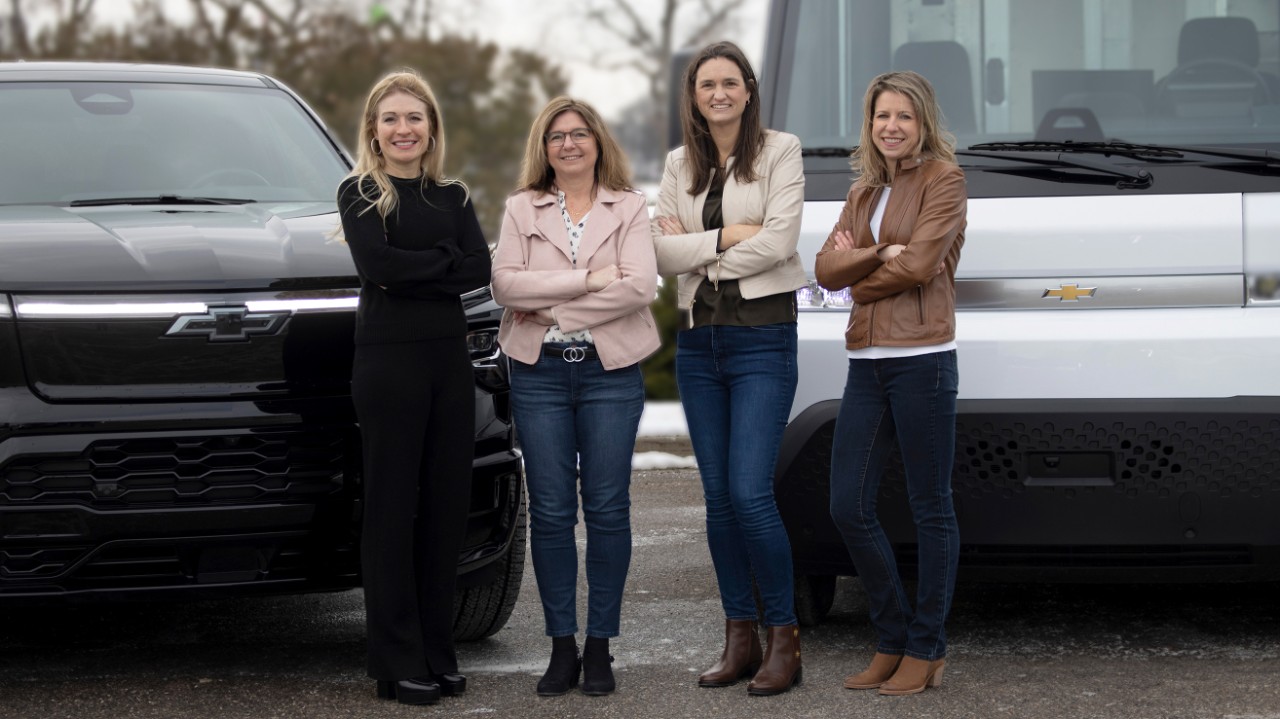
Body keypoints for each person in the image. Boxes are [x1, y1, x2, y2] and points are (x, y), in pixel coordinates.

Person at [651, 40, 807, 697]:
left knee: (749, 492)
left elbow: (782, 240)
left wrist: (701, 255)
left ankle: (784, 637)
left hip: (762, 340)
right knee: (717, 500)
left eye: (729, 82)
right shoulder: (676, 164)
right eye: (705, 83)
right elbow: (658, 253)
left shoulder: (781, 150)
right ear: (693, 96)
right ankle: (738, 636)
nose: (718, 93)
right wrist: (723, 238)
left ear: (748, 89)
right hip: (698, 347)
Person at [491, 96, 659, 697]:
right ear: (544, 146)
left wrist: (553, 307)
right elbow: (506, 284)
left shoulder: (631, 206)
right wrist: (589, 279)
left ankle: (599, 647)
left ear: (597, 142)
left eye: (579, 133)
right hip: (538, 374)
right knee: (555, 512)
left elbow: (639, 285)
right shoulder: (521, 209)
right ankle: (562, 645)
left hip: (609, 372)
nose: (568, 144)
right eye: (557, 135)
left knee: (609, 508)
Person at [336, 69, 491, 706]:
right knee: (394, 510)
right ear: (374, 129)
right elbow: (380, 267)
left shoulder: (451, 196)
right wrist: (441, 266)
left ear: (432, 129)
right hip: (388, 365)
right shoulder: (359, 195)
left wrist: (423, 270)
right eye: (391, 119)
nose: (404, 129)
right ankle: (394, 659)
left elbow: (478, 268)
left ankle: (436, 650)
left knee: (446, 507)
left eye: (415, 118)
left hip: (447, 365)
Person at [814, 70, 966, 696]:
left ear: (923, 121)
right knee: (846, 503)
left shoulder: (945, 182)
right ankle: (891, 638)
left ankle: (927, 647)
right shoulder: (861, 192)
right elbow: (825, 270)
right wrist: (880, 255)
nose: (892, 127)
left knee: (931, 507)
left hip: (923, 358)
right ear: (869, 124)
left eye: (904, 116)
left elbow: (923, 263)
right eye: (882, 116)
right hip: (866, 362)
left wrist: (862, 269)